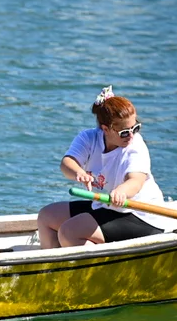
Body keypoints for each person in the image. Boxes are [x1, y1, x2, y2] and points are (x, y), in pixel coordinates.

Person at [36, 86, 165, 248]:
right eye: (125, 132)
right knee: (47, 216)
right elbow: (67, 163)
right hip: (106, 206)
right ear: (105, 129)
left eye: (135, 128)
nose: (132, 135)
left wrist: (121, 192)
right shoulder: (88, 138)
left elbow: (135, 181)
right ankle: (55, 261)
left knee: (69, 231)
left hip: (140, 214)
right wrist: (79, 172)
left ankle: (87, 260)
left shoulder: (136, 146)